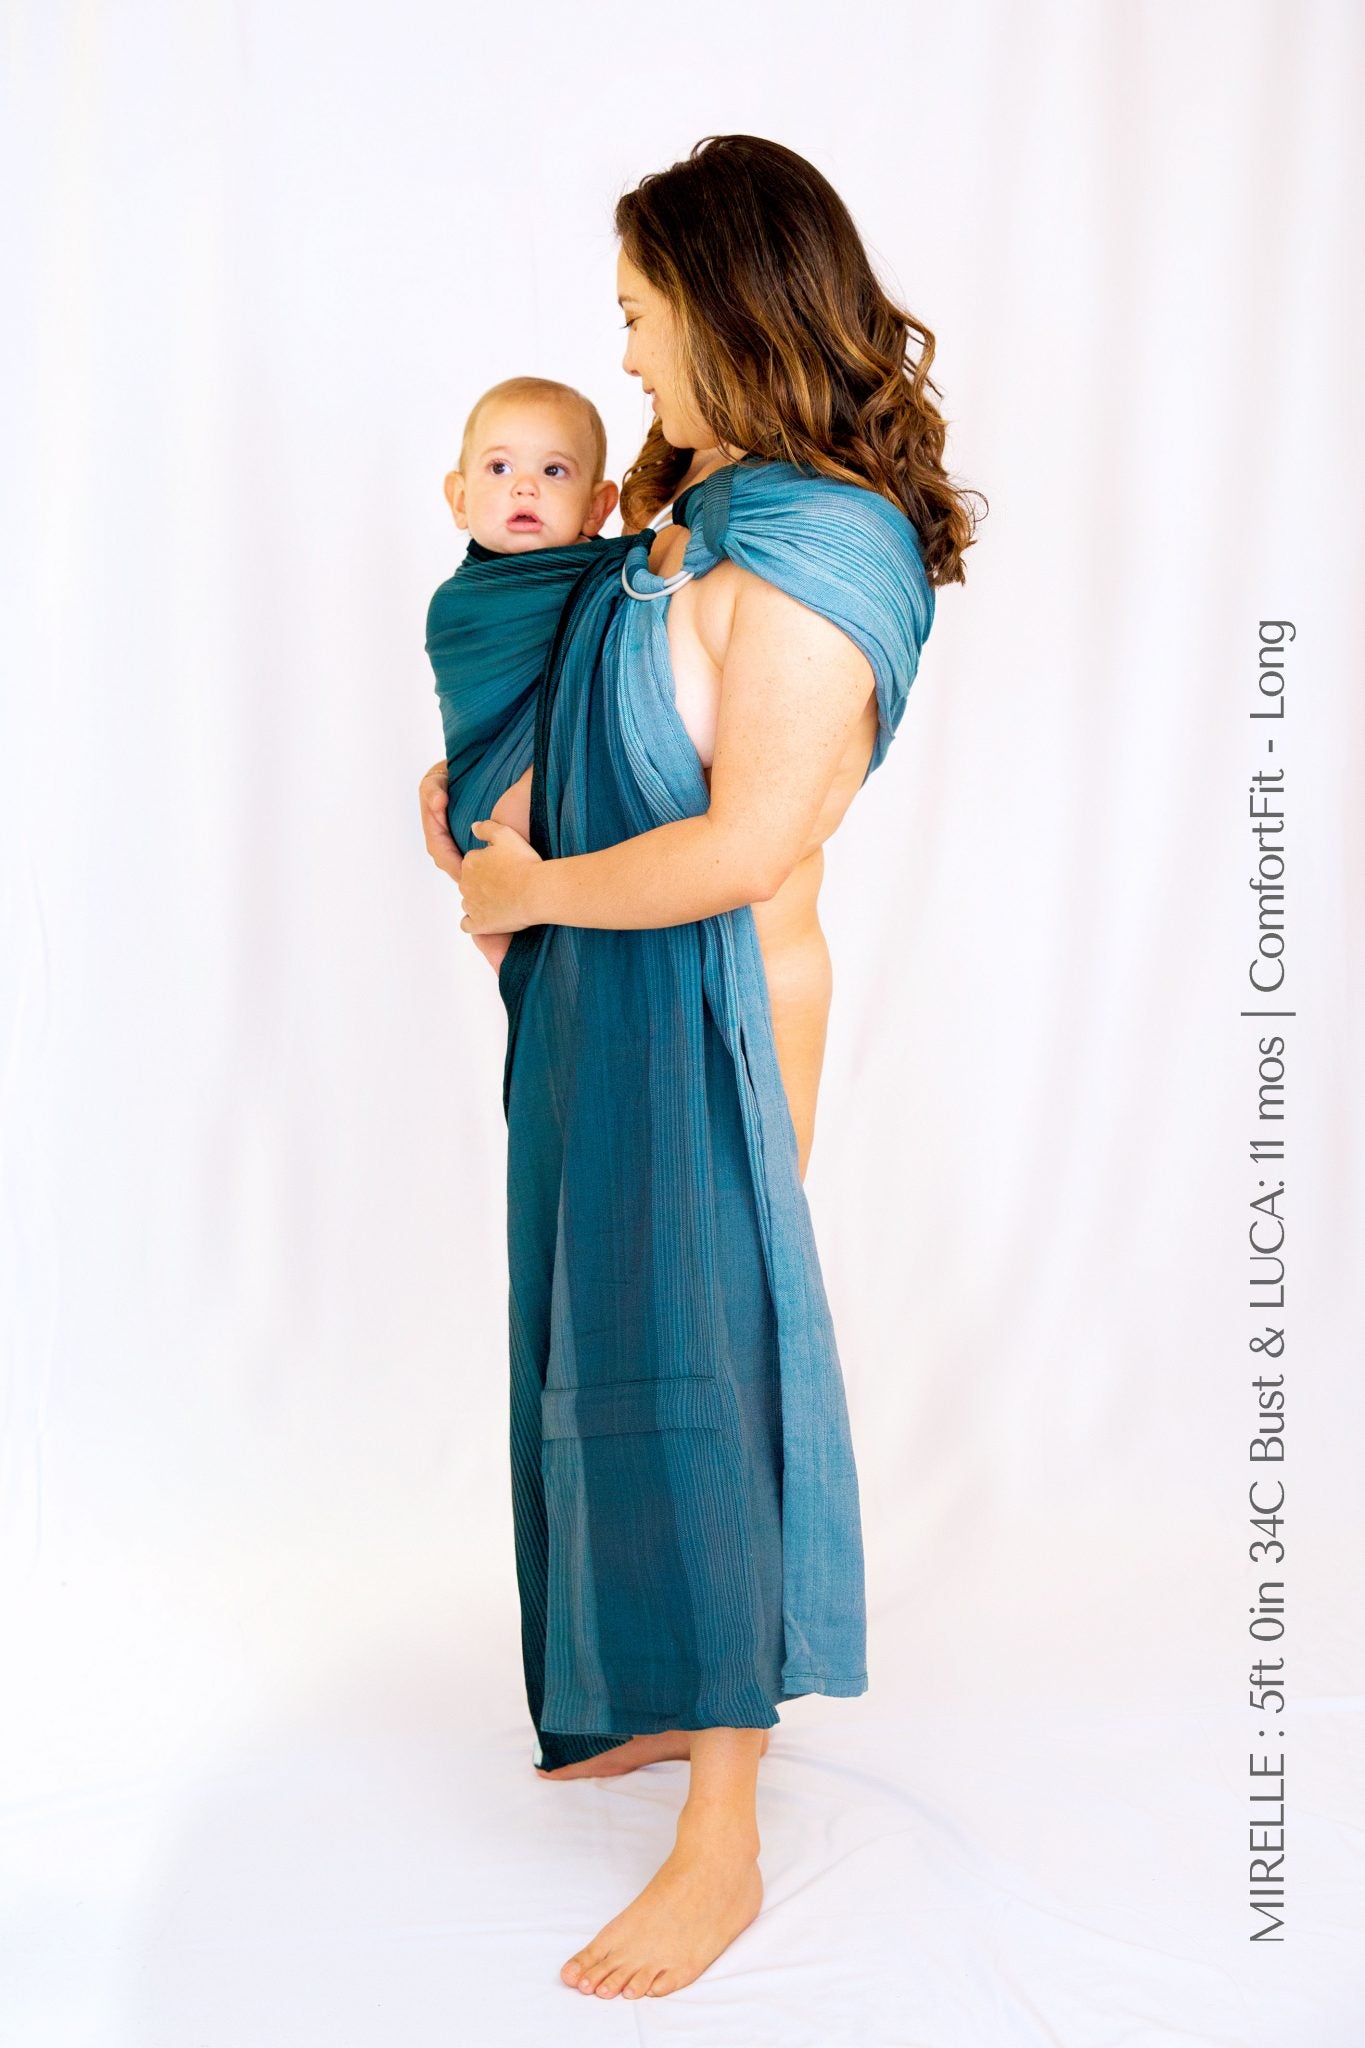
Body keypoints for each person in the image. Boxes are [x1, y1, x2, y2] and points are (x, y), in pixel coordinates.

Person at [417, 134, 981, 2003]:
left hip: (715, 1012)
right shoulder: (698, 505)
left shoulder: (822, 546)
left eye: (643, 314)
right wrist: (485, 809)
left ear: (729, 309)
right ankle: (655, 1689)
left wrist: (531, 883)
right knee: (603, 1337)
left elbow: (746, 844)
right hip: (604, 992)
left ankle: (725, 1826)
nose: (627, 353)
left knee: (702, 1366)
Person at [427, 374, 618, 975]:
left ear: (597, 507)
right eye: (499, 468)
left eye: (554, 471)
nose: (525, 486)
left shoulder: (615, 576)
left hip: (575, 818)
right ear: (459, 498)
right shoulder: (457, 605)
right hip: (486, 808)